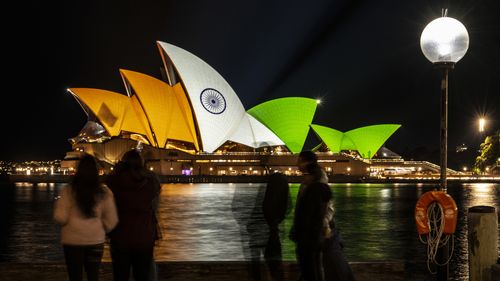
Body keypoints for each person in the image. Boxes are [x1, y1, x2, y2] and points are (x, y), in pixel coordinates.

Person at [291, 150, 355, 281]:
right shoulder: (310, 182)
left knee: (316, 266)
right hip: (310, 233)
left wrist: (324, 225)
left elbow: (327, 209)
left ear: (306, 162)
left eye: (299, 160)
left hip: (314, 234)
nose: (297, 163)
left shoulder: (318, 184)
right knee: (314, 267)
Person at [53, 154, 118, 281]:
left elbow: (60, 217)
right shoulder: (104, 192)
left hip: (72, 241)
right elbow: (112, 220)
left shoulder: (68, 190)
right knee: (93, 276)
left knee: (75, 276)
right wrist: (102, 229)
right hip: (95, 240)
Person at [105, 149, 161, 281]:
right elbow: (156, 185)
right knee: (142, 276)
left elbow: (108, 180)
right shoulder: (150, 182)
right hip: (145, 237)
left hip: (121, 237)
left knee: (120, 275)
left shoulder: (117, 182)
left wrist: (118, 169)